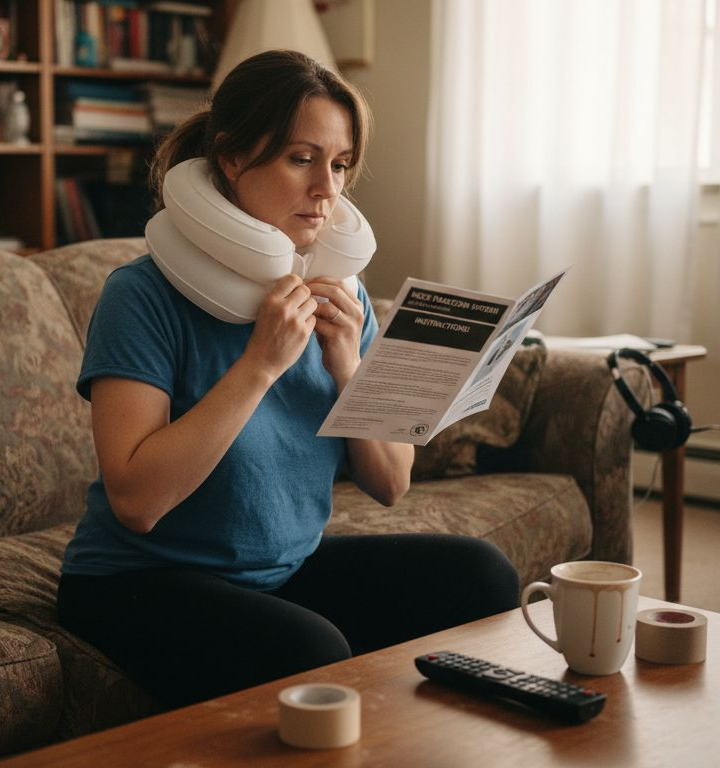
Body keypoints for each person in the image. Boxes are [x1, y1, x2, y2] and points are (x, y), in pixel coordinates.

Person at [56, 49, 520, 708]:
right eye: (301, 159)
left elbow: (391, 484)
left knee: (481, 574)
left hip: (279, 571)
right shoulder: (140, 295)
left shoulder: (343, 298)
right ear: (232, 160)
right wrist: (261, 364)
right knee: (311, 655)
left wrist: (346, 365)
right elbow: (137, 502)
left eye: (338, 165)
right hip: (138, 579)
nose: (326, 190)